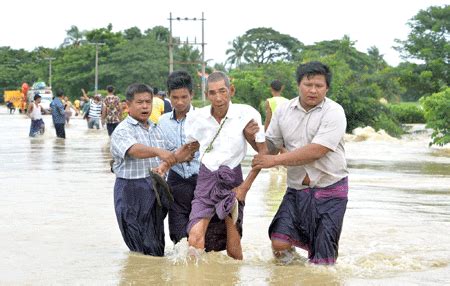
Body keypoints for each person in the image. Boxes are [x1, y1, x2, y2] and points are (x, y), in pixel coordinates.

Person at [156, 71, 267, 260]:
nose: (218, 98)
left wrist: (244, 188)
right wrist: (165, 165)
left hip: (233, 178)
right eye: (213, 93)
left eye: (222, 91)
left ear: (231, 90)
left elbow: (263, 154)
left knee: (233, 243)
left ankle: (234, 278)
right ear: (206, 94)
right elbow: (189, 149)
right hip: (206, 179)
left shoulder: (247, 114)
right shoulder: (197, 118)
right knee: (194, 237)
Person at [251, 61, 349, 265]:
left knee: (323, 262)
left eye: (319, 86)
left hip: (329, 190)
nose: (313, 90)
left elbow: (317, 151)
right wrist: (252, 138)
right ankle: (293, 274)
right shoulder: (283, 110)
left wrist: (275, 160)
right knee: (279, 242)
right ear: (298, 85)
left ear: (327, 88)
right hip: (296, 189)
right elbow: (270, 146)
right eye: (308, 84)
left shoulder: (334, 112)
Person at [110, 83, 195, 256]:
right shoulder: (122, 130)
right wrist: (159, 152)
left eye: (148, 102)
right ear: (128, 106)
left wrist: (185, 153)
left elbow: (171, 154)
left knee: (156, 246)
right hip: (130, 192)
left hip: (154, 190)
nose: (145, 106)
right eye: (139, 102)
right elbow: (134, 150)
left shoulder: (156, 129)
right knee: (138, 247)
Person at [158, 70, 226, 250]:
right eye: (175, 97)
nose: (179, 102)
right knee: (179, 239)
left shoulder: (206, 118)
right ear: (168, 96)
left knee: (206, 237)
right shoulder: (162, 122)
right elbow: (158, 152)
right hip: (176, 182)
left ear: (192, 95)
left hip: (202, 181)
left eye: (184, 97)